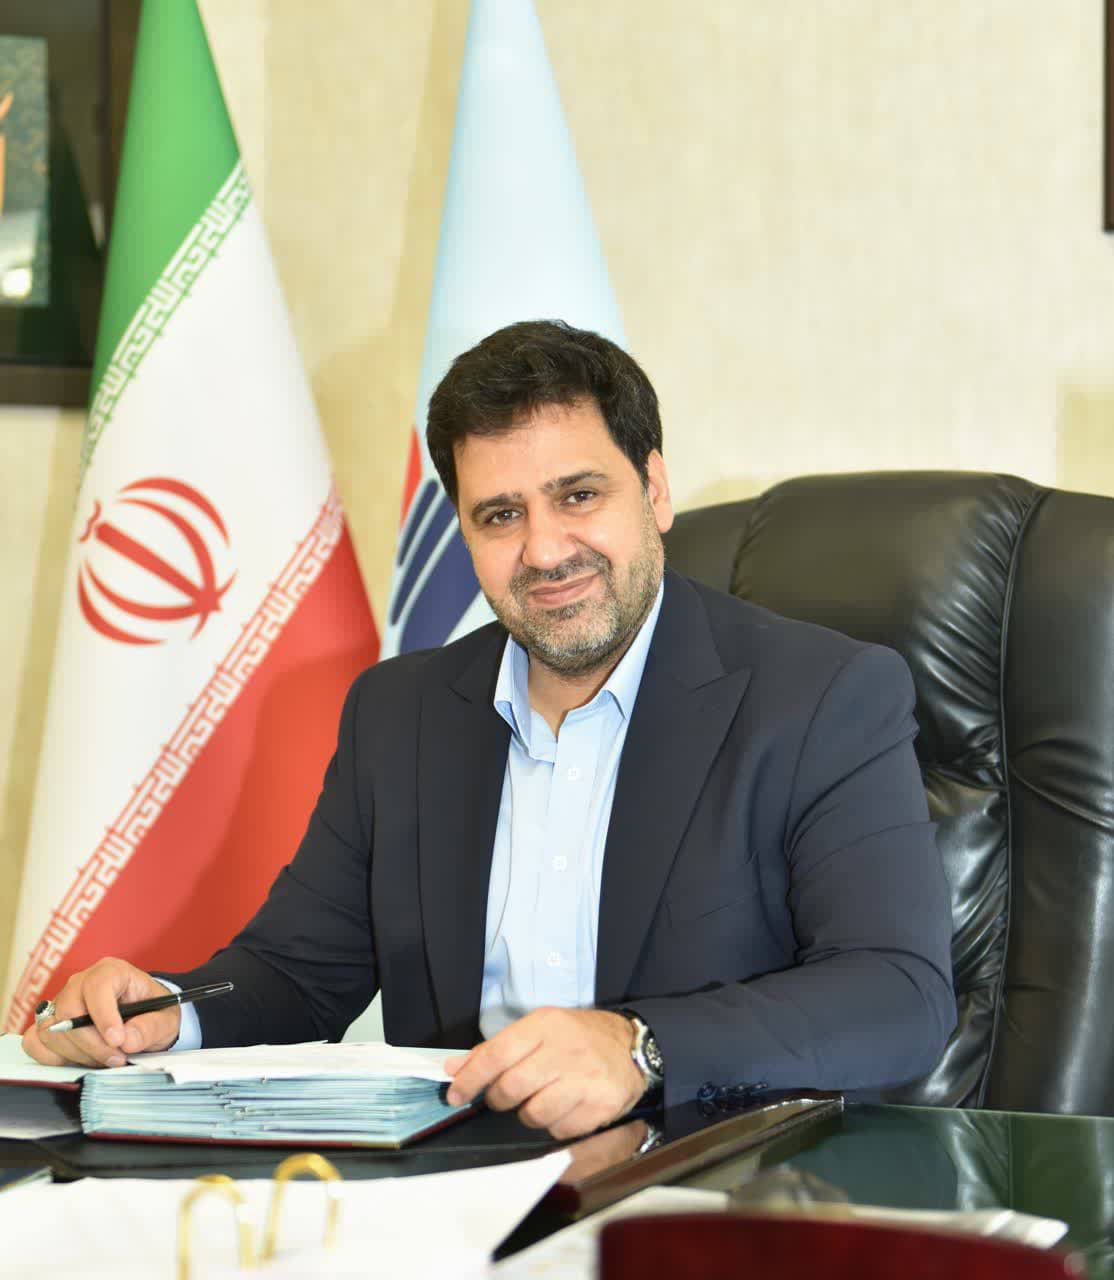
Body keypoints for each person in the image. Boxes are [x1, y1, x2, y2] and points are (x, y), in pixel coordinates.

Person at [24, 320, 956, 1140]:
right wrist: (170, 1009)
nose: (544, 550)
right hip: (451, 1187)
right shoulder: (398, 713)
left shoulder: (821, 696)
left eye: (579, 495)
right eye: (501, 515)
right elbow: (298, 975)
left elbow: (897, 993)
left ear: (655, 490)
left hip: (706, 1189)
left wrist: (642, 1046)